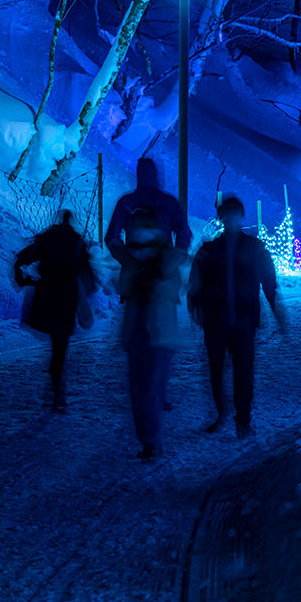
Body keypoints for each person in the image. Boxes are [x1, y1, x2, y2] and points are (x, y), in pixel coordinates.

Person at [188, 196, 286, 438]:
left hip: (243, 320)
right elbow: (195, 283)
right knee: (216, 370)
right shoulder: (209, 250)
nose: (231, 218)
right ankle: (223, 414)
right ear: (222, 218)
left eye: (234, 214)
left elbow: (269, 282)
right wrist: (195, 306)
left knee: (243, 371)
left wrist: (278, 312)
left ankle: (242, 420)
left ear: (241, 216)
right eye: (227, 214)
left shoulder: (253, 247)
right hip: (216, 320)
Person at [106, 156, 191, 412]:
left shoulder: (130, 203)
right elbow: (184, 236)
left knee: (143, 337)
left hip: (145, 280)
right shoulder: (163, 203)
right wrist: (170, 261)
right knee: (157, 336)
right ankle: (153, 391)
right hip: (156, 281)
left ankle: (148, 390)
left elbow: (112, 239)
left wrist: (131, 261)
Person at [118, 208, 183, 460]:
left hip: (158, 331)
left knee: (151, 389)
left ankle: (152, 442)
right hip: (137, 331)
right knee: (138, 389)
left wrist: (154, 282)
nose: (137, 230)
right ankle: (147, 440)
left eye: (142, 225)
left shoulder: (167, 257)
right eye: (135, 226)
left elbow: (173, 289)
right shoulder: (132, 258)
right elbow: (124, 289)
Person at [14, 210, 95, 410]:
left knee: (55, 344)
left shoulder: (48, 239)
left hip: (47, 295)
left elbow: (23, 258)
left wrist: (23, 280)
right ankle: (58, 392)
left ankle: (55, 387)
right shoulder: (77, 243)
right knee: (60, 347)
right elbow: (89, 276)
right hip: (67, 297)